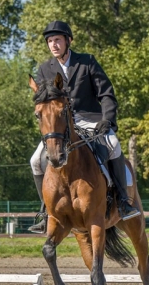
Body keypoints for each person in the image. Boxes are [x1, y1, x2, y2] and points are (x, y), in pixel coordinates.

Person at [28, 20, 140, 233]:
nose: (53, 45)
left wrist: (107, 120)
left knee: (114, 145)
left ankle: (124, 201)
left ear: (68, 41)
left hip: (90, 119)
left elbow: (106, 93)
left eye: (57, 40)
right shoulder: (44, 70)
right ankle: (45, 210)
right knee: (35, 161)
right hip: (61, 126)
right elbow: (43, 102)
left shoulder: (87, 62)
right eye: (50, 41)